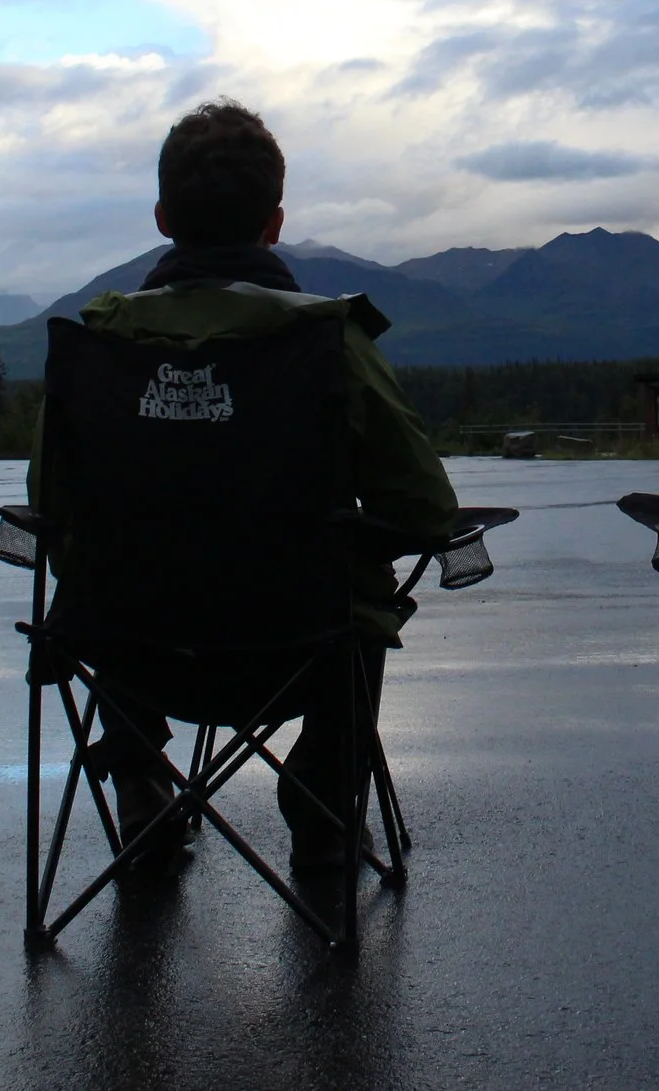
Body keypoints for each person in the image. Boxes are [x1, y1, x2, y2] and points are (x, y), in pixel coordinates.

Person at [30, 99, 458, 870]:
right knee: (363, 586)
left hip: (131, 646)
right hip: (297, 648)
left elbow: (50, 505)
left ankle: (139, 781)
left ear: (163, 217)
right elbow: (427, 511)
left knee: (100, 563)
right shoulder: (327, 340)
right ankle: (323, 804)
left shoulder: (97, 347)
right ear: (276, 222)